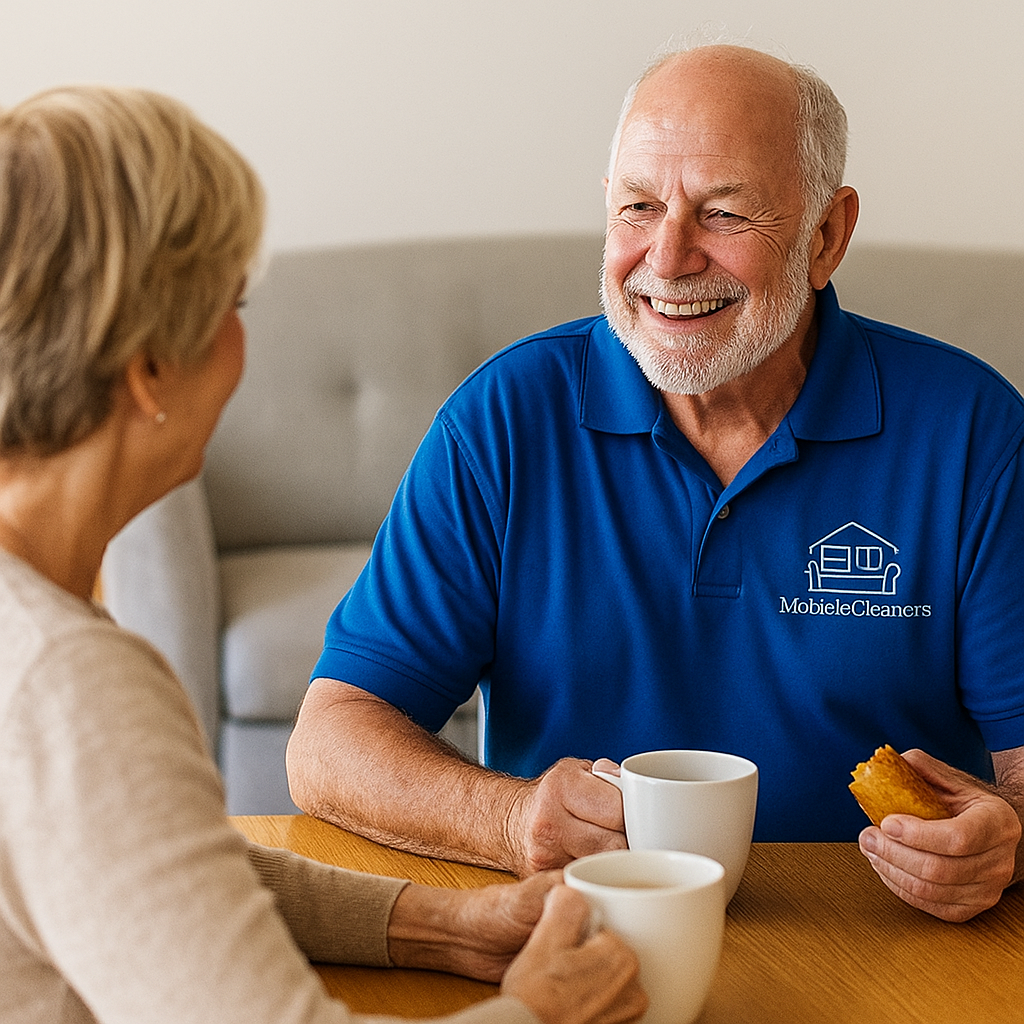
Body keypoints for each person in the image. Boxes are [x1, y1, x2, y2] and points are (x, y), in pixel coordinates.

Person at [287, 42, 1024, 924]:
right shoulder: (504, 420)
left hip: (887, 939)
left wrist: (1010, 841)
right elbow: (329, 742)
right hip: (585, 930)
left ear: (826, 236)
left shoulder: (973, 431)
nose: (668, 260)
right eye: (639, 207)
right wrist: (509, 818)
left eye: (724, 213)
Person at [0, 85, 647, 1024]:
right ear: (147, 370)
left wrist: (439, 925)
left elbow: (149, 869)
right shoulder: (66, 681)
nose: (245, 342)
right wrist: (543, 1013)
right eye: (232, 304)